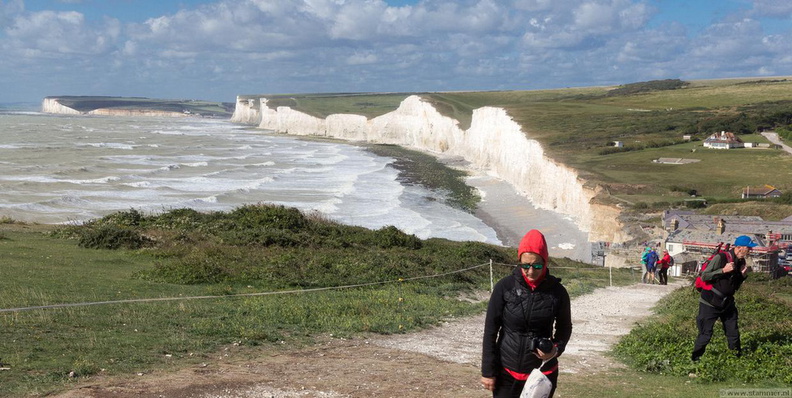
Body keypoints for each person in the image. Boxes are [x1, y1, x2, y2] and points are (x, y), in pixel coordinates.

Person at [481, 229, 572, 398]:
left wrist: (555, 349)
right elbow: (490, 330)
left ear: (545, 262)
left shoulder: (558, 292)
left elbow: (564, 328)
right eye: (525, 265)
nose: (531, 271)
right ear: (519, 262)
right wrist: (487, 370)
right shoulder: (504, 287)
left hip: (542, 372)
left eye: (537, 265)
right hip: (505, 372)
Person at [691, 235, 755, 362]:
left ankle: (736, 360)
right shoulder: (721, 258)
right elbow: (705, 276)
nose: (750, 251)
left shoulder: (741, 262)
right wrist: (723, 270)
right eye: (748, 248)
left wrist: (742, 276)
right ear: (739, 248)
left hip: (727, 303)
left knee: (733, 333)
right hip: (709, 302)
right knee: (705, 334)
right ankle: (695, 360)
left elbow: (734, 286)